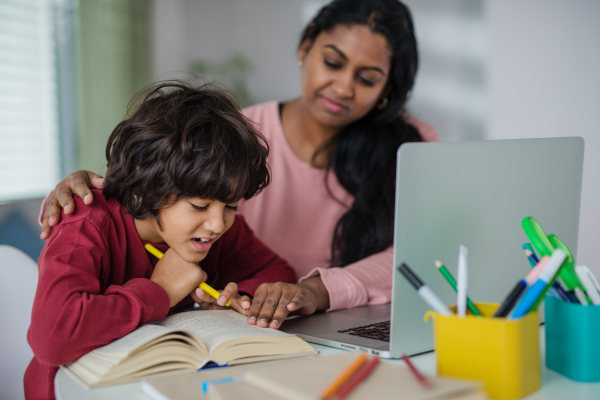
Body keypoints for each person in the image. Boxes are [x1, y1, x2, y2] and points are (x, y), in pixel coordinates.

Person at [39, 0, 440, 330]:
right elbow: (147, 178)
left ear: (389, 89)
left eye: (368, 78)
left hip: (317, 323)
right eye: (333, 63)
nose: (343, 87)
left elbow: (424, 253)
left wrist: (249, 293)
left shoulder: (410, 146)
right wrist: (86, 186)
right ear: (305, 49)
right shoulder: (235, 136)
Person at [25, 82, 298, 400]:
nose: (217, 223)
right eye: (199, 206)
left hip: (161, 386)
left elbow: (278, 271)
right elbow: (53, 337)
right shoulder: (86, 221)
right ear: (145, 187)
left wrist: (245, 296)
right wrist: (162, 291)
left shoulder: (215, 228)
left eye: (231, 205)